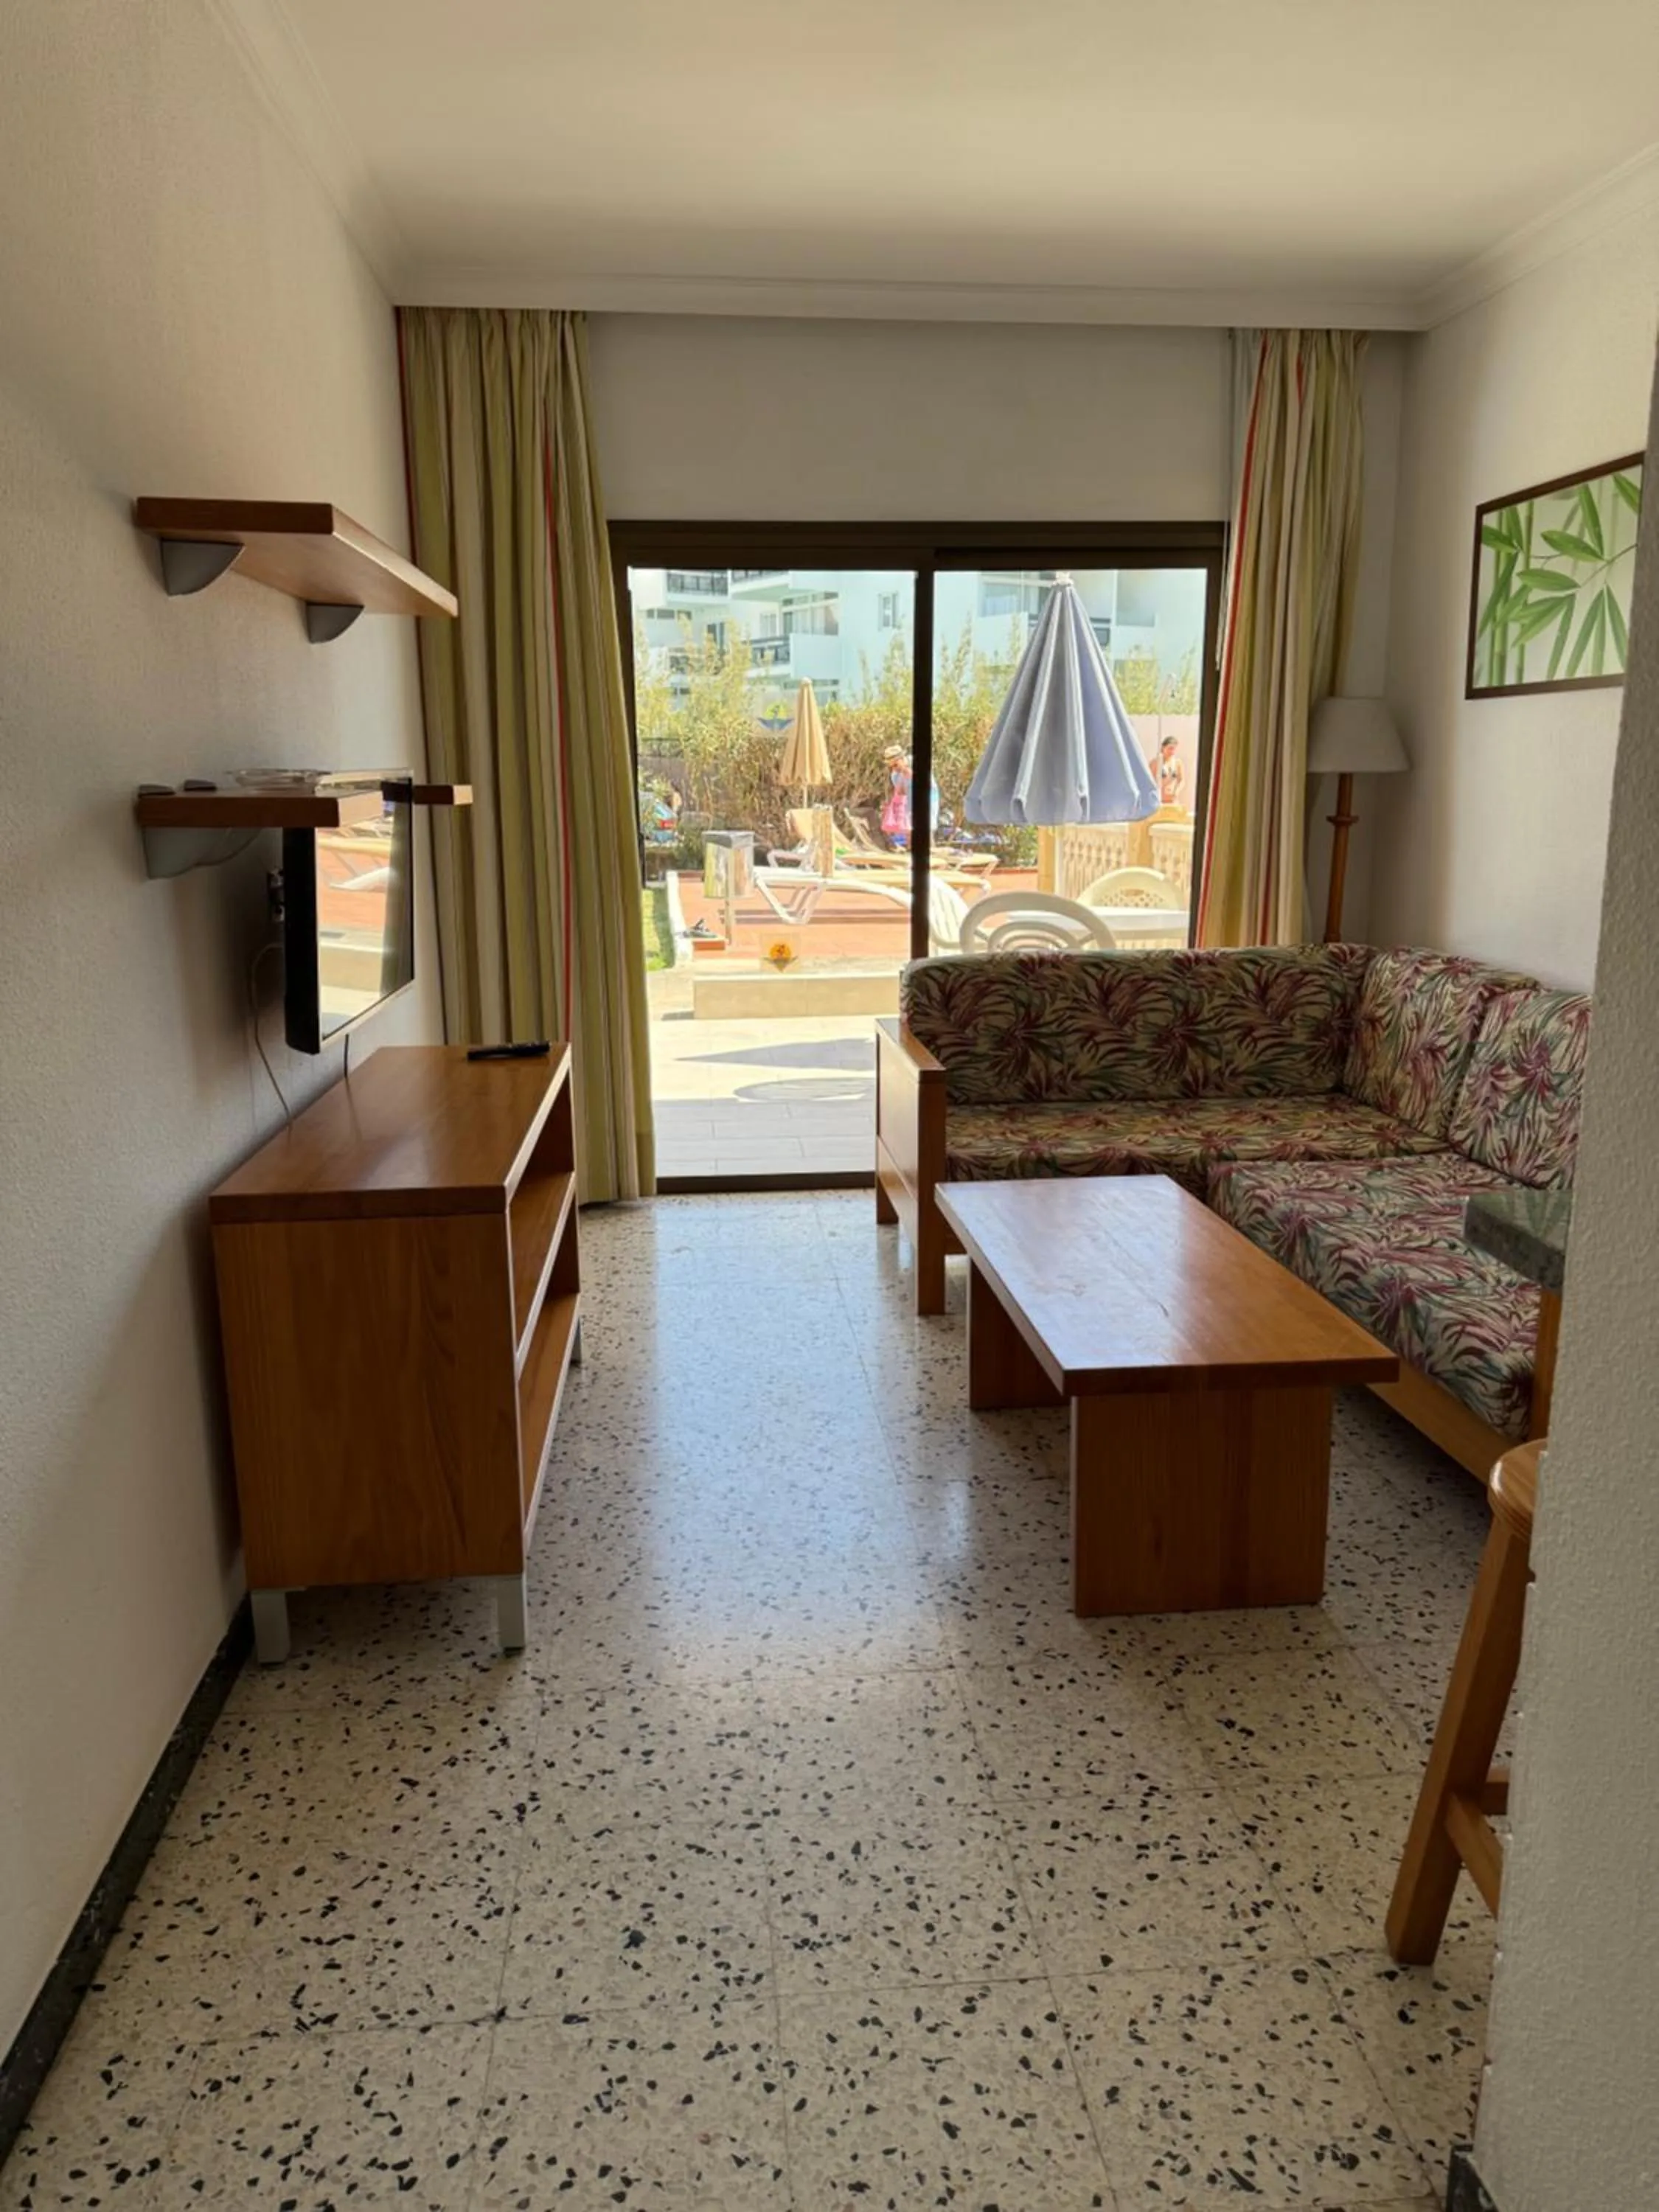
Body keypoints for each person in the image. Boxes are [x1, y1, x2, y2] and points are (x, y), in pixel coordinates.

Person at [880, 746, 913, 850]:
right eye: (891, 767)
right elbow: (901, 793)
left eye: (896, 765)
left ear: (902, 759)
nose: (894, 769)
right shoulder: (895, 775)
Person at [1150, 734, 1185, 809]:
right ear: (1163, 748)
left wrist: (1177, 791)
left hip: (1172, 801)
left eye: (1174, 749)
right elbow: (1149, 781)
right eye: (1170, 749)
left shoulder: (1178, 763)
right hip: (1159, 800)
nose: (1172, 752)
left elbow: (1182, 780)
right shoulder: (1155, 763)